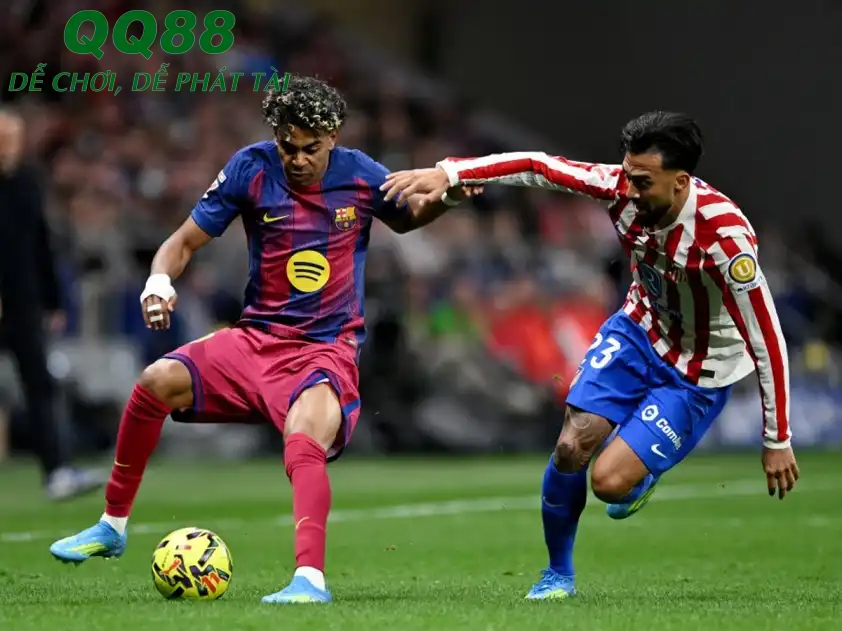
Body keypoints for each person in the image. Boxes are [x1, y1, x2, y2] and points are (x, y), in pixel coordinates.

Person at [48, 75, 479, 604]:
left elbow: (409, 218)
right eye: (287, 147)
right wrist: (158, 283)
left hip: (324, 348)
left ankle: (309, 579)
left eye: (310, 149)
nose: (297, 159)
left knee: (303, 437)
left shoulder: (360, 174)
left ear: (333, 136)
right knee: (156, 381)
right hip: (255, 340)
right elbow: (181, 242)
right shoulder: (249, 168)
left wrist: (448, 199)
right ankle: (111, 526)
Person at [380, 111, 799, 600]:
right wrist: (451, 173)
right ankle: (558, 575)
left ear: (681, 181)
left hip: (698, 370)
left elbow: (766, 335)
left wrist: (777, 437)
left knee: (608, 483)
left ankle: (638, 472)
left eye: (643, 182)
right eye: (628, 175)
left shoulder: (725, 237)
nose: (630, 190)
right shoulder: (618, 185)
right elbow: (538, 166)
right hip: (639, 331)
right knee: (570, 445)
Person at [0, 109, 104, 500]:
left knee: (40, 384)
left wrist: (52, 300)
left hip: (23, 301)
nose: (8, 146)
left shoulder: (27, 182)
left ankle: (57, 470)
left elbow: (40, 244)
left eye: (12, 138)